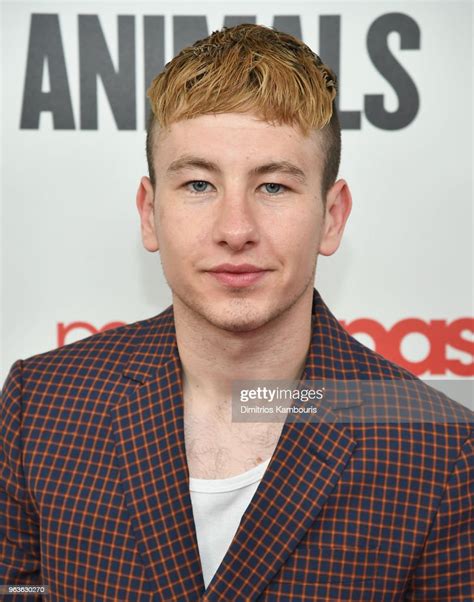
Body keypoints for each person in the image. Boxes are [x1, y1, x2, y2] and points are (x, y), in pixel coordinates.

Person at [0, 23, 472, 602]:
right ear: (150, 213)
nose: (235, 230)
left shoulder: (441, 449)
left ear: (332, 216)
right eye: (199, 184)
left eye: (273, 187)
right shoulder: (42, 403)